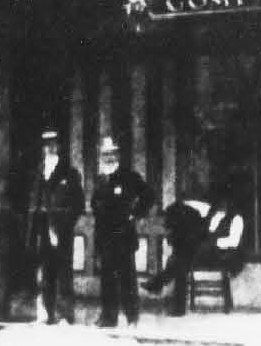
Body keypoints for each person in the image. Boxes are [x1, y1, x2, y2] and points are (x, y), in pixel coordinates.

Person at [145, 193, 244, 315]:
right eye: (220, 203)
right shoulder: (212, 214)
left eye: (225, 203)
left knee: (181, 260)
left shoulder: (236, 219)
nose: (222, 205)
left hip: (224, 255)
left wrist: (214, 242)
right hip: (208, 254)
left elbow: (233, 242)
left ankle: (160, 284)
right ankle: (176, 305)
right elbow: (196, 209)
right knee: (181, 262)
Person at [26, 127, 85, 325]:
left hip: (62, 230)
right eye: (46, 145)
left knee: (63, 271)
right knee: (46, 270)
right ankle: (47, 312)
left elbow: (79, 205)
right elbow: (34, 200)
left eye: (53, 144)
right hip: (42, 227)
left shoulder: (69, 172)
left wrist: (64, 225)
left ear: (59, 146)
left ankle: (65, 315)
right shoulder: (38, 172)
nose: (49, 148)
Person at [91, 138, 151, 328]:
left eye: (111, 154)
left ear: (117, 155)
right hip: (105, 236)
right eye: (105, 154)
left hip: (124, 235)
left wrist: (136, 214)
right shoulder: (100, 179)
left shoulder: (129, 176)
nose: (108, 157)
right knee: (107, 279)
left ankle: (132, 317)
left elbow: (148, 195)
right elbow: (95, 204)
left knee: (127, 279)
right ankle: (109, 318)